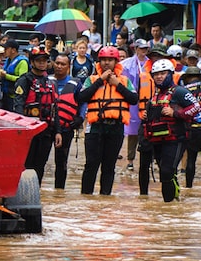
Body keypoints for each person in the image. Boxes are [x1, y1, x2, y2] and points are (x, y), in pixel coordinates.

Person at [77, 46, 138, 195]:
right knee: (91, 165)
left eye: (110, 60)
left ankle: (105, 197)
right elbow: (82, 97)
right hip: (95, 127)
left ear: (115, 61)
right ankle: (86, 197)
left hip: (115, 128)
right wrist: (101, 80)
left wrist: (117, 84)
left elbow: (133, 99)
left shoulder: (124, 80)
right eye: (103, 60)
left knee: (109, 166)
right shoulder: (91, 79)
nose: (106, 63)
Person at [141, 59, 200, 202]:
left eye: (163, 73)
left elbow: (196, 107)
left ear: (170, 74)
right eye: (156, 74)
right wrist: (146, 116)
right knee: (165, 172)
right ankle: (171, 204)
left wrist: (175, 113)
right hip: (158, 139)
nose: (159, 77)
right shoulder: (156, 95)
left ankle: (169, 203)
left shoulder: (179, 91)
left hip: (176, 138)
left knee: (167, 171)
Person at [12, 47, 58, 184]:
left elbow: (55, 108)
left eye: (44, 60)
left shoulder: (50, 82)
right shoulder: (24, 80)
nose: (42, 63)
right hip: (30, 132)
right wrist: (22, 129)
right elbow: (18, 105)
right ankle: (24, 194)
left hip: (46, 130)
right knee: (27, 165)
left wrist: (58, 131)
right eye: (39, 61)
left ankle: (36, 192)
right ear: (32, 62)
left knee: (40, 165)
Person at [51, 53, 84, 190]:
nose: (59, 66)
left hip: (66, 127)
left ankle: (59, 191)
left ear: (69, 67)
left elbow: (82, 102)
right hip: (47, 128)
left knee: (61, 162)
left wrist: (80, 118)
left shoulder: (75, 83)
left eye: (63, 64)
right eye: (57, 63)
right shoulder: (47, 80)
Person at [121, 39, 150, 170]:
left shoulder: (151, 63)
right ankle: (130, 159)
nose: (143, 51)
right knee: (132, 131)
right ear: (136, 49)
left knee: (149, 130)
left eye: (145, 49)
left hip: (148, 101)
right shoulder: (127, 64)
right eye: (141, 48)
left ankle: (149, 160)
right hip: (133, 101)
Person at [0, 40, 29, 111]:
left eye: (6, 49)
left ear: (13, 50)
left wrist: (6, 76)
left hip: (15, 96)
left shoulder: (22, 62)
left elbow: (22, 79)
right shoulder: (8, 60)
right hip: (5, 94)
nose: (4, 51)